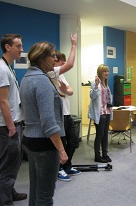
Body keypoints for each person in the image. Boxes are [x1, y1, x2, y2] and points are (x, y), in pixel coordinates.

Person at [19, 42, 68, 206]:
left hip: (30, 140)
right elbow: (48, 122)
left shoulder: (27, 78)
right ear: (41, 58)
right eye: (52, 56)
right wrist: (61, 150)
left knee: (36, 190)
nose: (55, 59)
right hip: (44, 145)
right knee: (45, 196)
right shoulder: (42, 81)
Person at [0, 34, 27, 205]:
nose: (22, 49)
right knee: (7, 166)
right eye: (18, 46)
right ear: (7, 47)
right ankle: (4, 202)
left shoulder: (8, 67)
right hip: (8, 126)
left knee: (14, 162)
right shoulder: (1, 69)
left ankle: (9, 192)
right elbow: (3, 101)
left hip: (14, 123)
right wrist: (11, 127)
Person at [49, 49, 81, 182]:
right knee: (61, 144)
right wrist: (74, 45)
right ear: (54, 61)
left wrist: (64, 90)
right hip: (58, 116)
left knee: (73, 141)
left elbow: (71, 91)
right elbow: (70, 65)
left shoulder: (61, 76)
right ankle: (59, 169)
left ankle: (67, 165)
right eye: (61, 61)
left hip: (67, 114)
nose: (63, 64)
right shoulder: (50, 73)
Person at [88, 64, 113, 163]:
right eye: (104, 71)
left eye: (107, 71)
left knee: (105, 134)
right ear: (100, 73)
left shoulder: (106, 85)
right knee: (99, 135)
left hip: (106, 112)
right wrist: (96, 85)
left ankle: (105, 154)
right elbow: (92, 96)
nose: (107, 73)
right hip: (100, 113)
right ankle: (97, 156)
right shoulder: (95, 83)